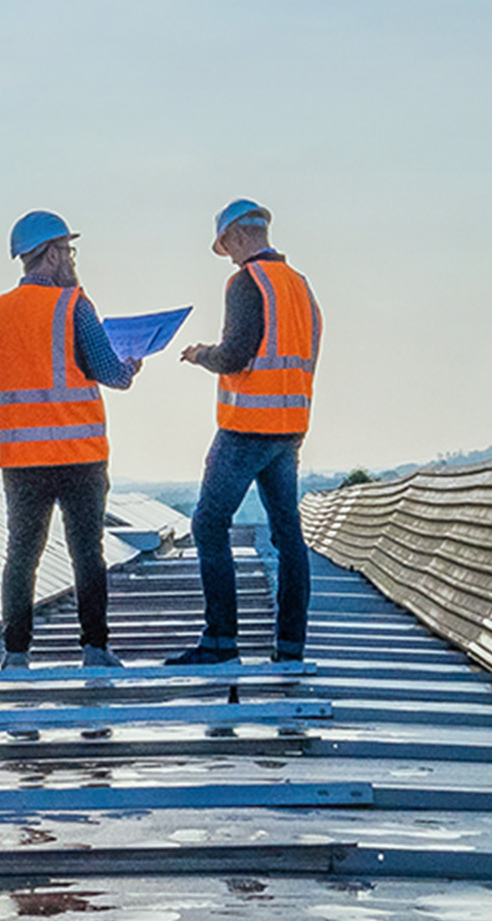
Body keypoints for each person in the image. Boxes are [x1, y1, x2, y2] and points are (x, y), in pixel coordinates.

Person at [0, 210, 141, 670]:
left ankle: (16, 655)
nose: (71, 259)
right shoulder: (74, 306)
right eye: (67, 250)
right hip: (78, 454)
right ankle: (94, 649)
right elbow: (112, 375)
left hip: (20, 458)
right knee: (87, 552)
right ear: (49, 254)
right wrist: (130, 365)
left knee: (21, 555)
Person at [167, 200, 321, 666]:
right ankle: (290, 647)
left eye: (226, 246)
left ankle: (219, 642)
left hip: (246, 426)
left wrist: (199, 355)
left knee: (208, 524)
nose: (229, 256)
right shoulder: (299, 286)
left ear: (235, 236)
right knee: (287, 533)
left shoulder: (245, 282)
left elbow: (235, 355)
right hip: (289, 428)